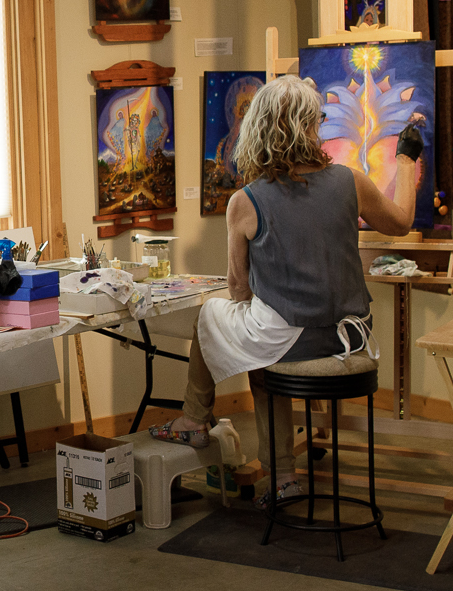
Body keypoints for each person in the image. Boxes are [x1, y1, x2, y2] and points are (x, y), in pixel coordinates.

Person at [153, 74, 422, 507]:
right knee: (262, 347)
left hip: (292, 340)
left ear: (257, 128)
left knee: (217, 319)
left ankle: (199, 423)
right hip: (352, 335)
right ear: (311, 126)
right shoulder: (350, 181)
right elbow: (402, 223)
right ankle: (279, 473)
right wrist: (406, 161)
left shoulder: (245, 201)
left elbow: (238, 290)